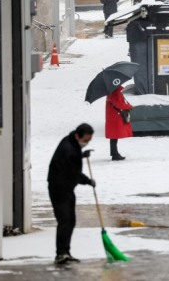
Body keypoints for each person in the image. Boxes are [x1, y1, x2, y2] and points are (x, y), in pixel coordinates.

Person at [47, 123, 96, 265]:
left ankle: (65, 252)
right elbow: (74, 173)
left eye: (89, 140)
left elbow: (73, 159)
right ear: (77, 135)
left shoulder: (70, 141)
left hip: (65, 187)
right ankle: (61, 254)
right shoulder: (69, 150)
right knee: (65, 221)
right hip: (59, 188)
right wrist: (88, 181)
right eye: (85, 140)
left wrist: (81, 155)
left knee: (70, 221)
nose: (86, 143)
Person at [126, 6, 150, 94]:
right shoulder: (141, 25)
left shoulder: (133, 25)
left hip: (137, 47)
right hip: (141, 46)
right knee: (142, 69)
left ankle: (142, 90)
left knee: (140, 70)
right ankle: (144, 90)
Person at [105, 86, 133, 161]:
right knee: (114, 136)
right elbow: (118, 104)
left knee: (114, 136)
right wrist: (128, 106)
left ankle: (114, 153)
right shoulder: (115, 92)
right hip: (115, 117)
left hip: (112, 116)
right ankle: (115, 154)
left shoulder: (111, 91)